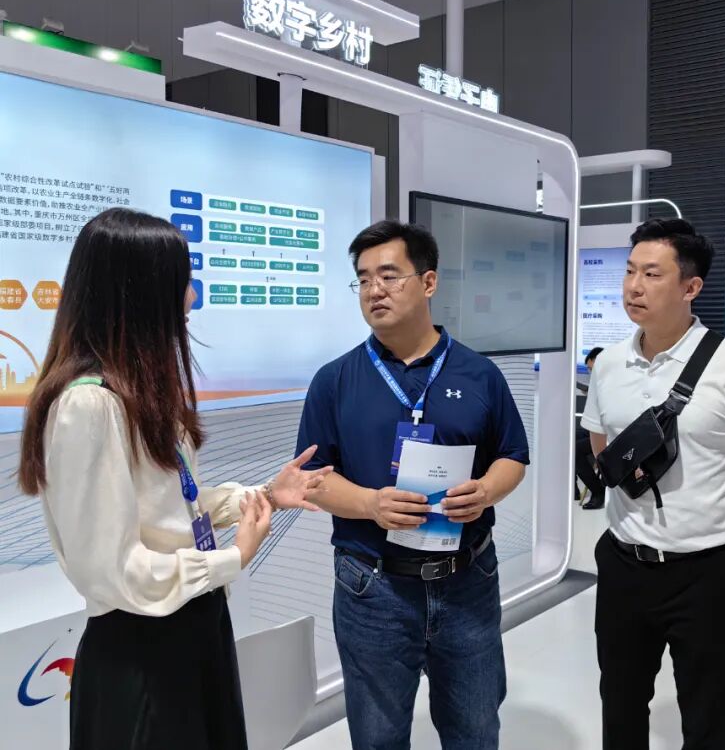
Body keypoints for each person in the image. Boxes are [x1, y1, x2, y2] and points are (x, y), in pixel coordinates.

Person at [17, 208, 330, 750]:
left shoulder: (134, 394)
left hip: (190, 629)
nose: (191, 297)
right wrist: (234, 558)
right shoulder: (89, 405)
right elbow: (113, 571)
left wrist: (261, 497)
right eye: (182, 282)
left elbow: (167, 507)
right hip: (144, 652)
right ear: (140, 293)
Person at [297, 220, 530, 750]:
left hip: (467, 579)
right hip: (372, 586)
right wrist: (370, 504)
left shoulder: (479, 374)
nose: (373, 290)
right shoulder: (335, 380)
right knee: (377, 737)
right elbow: (312, 479)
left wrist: (487, 491)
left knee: (474, 730)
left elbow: (513, 455)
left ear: (428, 282)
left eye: (389, 276)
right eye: (362, 279)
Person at [581, 218, 725, 750]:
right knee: (620, 703)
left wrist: (710, 522)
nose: (634, 286)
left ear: (691, 287)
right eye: (630, 271)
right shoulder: (608, 364)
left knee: (704, 712)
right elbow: (604, 450)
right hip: (624, 563)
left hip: (707, 574)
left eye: (652, 274)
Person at [576, 346, 606, 509]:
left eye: (591, 368)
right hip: (598, 430)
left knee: (575, 450)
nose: (590, 372)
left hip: (611, 435)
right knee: (570, 438)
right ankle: (573, 487)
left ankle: (598, 491)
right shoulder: (600, 383)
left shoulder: (613, 383)